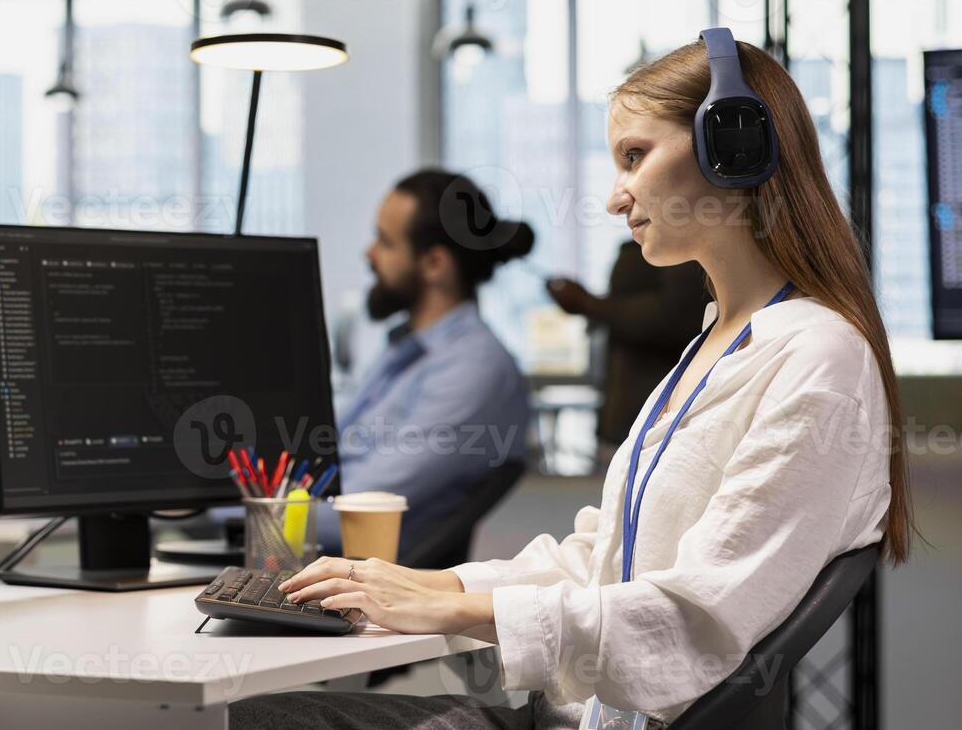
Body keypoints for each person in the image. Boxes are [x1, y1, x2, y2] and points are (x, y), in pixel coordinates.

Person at [231, 37, 912, 729]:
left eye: (634, 157)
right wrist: (435, 584)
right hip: (568, 716)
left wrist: (460, 608)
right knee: (248, 716)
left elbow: (692, 621)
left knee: (246, 721)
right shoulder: (720, 340)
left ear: (731, 147)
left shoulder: (818, 358)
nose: (617, 198)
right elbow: (601, 557)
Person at [317, 168, 535, 559]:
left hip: (359, 576)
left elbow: (357, 512)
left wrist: (225, 509)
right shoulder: (406, 350)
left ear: (435, 263)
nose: (369, 254)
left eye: (385, 241)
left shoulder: (473, 370)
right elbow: (331, 456)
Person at [546, 242, 707, 464]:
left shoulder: (682, 244)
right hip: (627, 418)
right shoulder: (646, 240)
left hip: (658, 423)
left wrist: (589, 304)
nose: (616, 206)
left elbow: (675, 316)